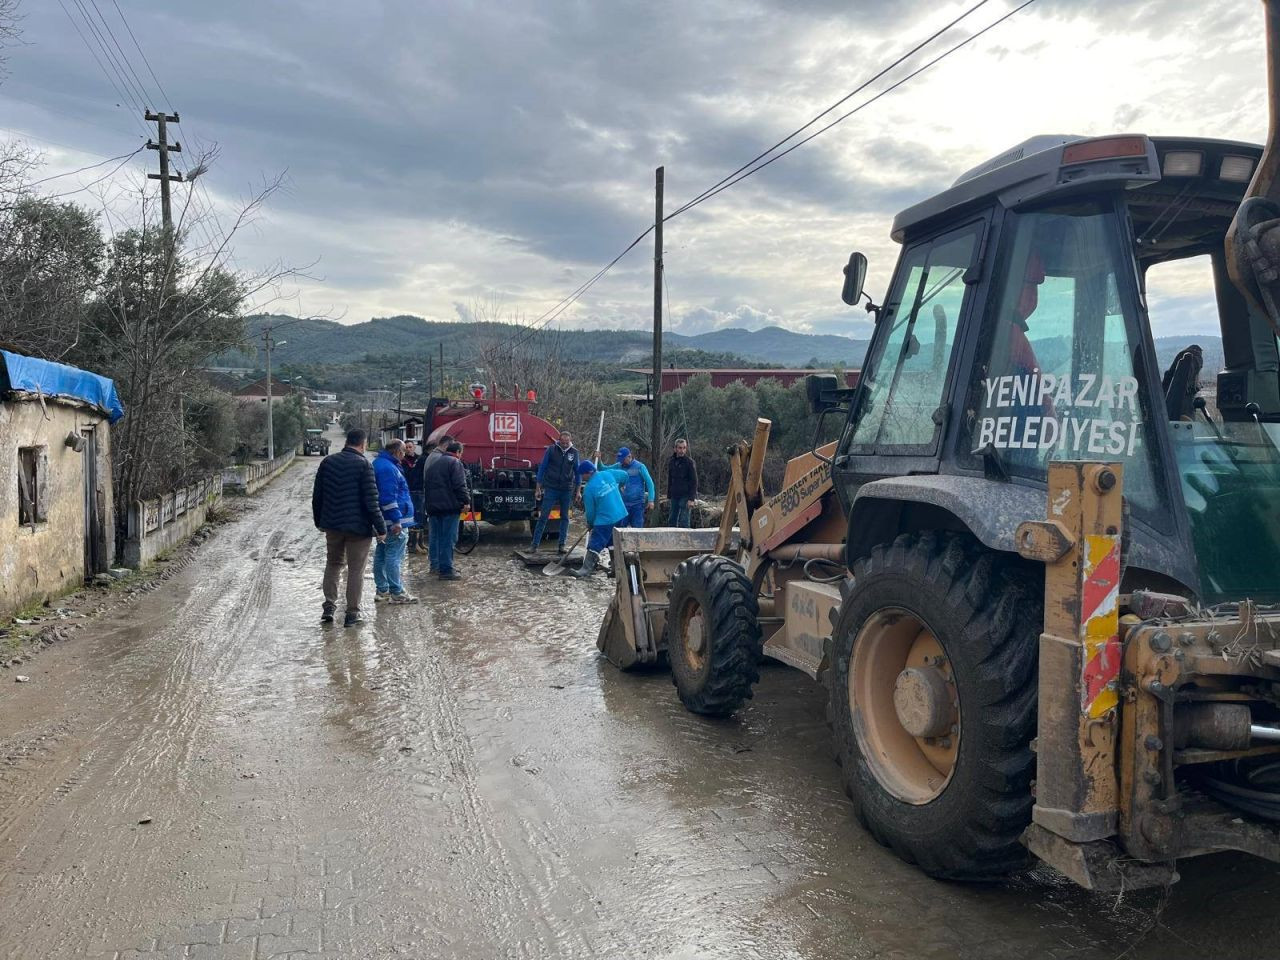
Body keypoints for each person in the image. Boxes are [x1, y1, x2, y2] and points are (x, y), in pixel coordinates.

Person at [312, 428, 387, 627]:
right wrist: (381, 528)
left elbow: (317, 496)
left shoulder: (327, 462)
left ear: (347, 442)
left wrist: (319, 521)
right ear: (363, 444)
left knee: (333, 564)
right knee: (356, 569)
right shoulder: (364, 465)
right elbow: (372, 501)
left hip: (333, 526)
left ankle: (329, 606)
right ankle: (352, 613)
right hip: (358, 528)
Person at [372, 439, 418, 604]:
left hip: (385, 519)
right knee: (393, 556)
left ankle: (382, 589)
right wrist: (397, 520)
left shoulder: (381, 464)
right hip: (393, 521)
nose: (404, 454)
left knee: (382, 554)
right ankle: (396, 591)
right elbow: (388, 497)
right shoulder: (388, 468)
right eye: (403, 451)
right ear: (397, 451)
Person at [573, 460, 628, 577]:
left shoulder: (588, 489)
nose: (581, 477)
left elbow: (590, 512)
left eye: (582, 474)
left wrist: (590, 523)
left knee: (595, 542)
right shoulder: (608, 474)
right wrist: (621, 486)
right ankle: (616, 568)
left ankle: (585, 569)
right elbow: (625, 475)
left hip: (605, 519)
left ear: (588, 473)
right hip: (620, 514)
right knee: (614, 542)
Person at [424, 441, 471, 581]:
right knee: (448, 538)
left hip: (433, 507)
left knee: (436, 537)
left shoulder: (434, 464)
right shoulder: (455, 463)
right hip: (449, 507)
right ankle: (447, 570)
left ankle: (435, 566)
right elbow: (460, 485)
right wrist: (466, 501)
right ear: (458, 452)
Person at [530, 430, 580, 553]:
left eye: (566, 442)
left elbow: (577, 472)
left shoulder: (574, 453)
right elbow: (543, 468)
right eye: (562, 442)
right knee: (543, 517)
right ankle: (534, 545)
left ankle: (561, 545)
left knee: (565, 518)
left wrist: (578, 491)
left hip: (566, 489)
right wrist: (538, 487)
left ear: (570, 441)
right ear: (559, 440)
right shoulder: (551, 450)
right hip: (551, 488)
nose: (564, 444)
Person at [421, 435, 452, 570]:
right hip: (438, 501)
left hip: (432, 501)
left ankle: (435, 563)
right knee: (440, 535)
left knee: (435, 534)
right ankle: (438, 564)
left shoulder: (432, 457)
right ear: (445, 446)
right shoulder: (438, 458)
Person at [614, 447, 655, 529]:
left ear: (629, 457)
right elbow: (604, 469)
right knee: (620, 529)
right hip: (623, 504)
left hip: (638, 504)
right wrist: (599, 460)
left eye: (623, 460)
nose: (621, 462)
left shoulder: (640, 467)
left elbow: (650, 483)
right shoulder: (618, 466)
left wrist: (651, 500)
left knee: (637, 529)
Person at [406, 442, 431, 555]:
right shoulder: (404, 461)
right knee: (416, 516)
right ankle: (413, 544)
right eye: (406, 447)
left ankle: (420, 542)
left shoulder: (420, 459)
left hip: (419, 489)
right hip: (415, 490)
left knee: (420, 517)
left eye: (410, 447)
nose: (408, 449)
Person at [666, 438, 698, 528]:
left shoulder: (689, 462)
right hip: (674, 494)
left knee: (684, 521)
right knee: (672, 519)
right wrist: (669, 495)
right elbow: (670, 479)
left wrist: (691, 498)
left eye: (684, 448)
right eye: (680, 448)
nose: (682, 450)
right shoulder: (671, 461)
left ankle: (685, 540)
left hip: (686, 495)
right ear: (675, 449)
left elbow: (694, 481)